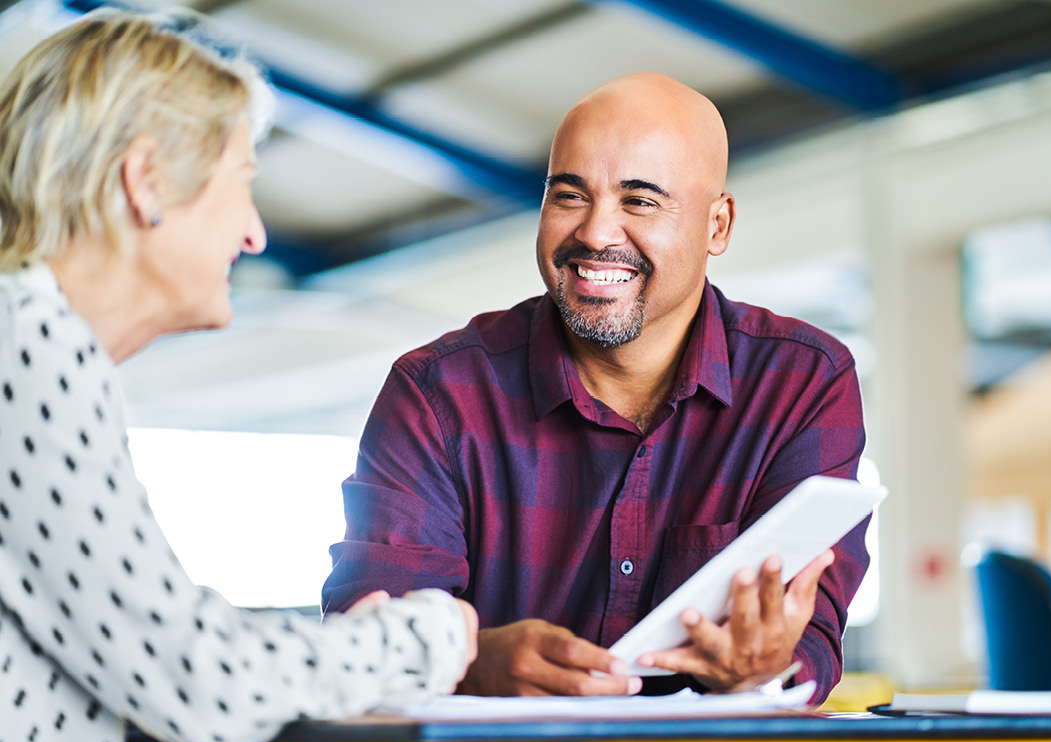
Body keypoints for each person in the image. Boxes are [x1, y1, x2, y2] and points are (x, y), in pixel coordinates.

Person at [0, 12, 478, 742]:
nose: (255, 233)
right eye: (241, 184)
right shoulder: (26, 349)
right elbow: (200, 683)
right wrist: (422, 639)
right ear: (145, 181)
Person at [323, 72, 867, 700]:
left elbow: (810, 636)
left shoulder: (802, 384)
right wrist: (473, 665)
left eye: (639, 201)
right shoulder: (437, 395)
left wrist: (766, 666)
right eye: (569, 195)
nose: (595, 233)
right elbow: (361, 639)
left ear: (718, 226)